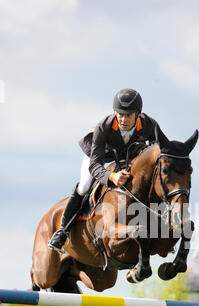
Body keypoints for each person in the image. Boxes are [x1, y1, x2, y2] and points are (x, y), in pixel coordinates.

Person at [48, 88, 170, 253]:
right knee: (84, 185)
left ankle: (159, 226)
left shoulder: (150, 125)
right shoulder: (103, 127)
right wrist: (112, 177)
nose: (123, 119)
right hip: (100, 157)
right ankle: (63, 230)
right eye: (120, 114)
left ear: (138, 114)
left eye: (128, 114)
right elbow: (95, 166)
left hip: (128, 157)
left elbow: (165, 150)